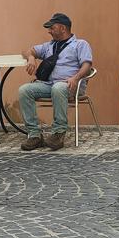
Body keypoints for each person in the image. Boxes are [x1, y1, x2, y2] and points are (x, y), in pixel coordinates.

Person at [17, 13, 92, 151]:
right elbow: (27, 50)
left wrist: (75, 78)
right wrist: (31, 58)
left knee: (58, 88)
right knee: (24, 90)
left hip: (71, 85)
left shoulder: (80, 44)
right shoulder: (49, 46)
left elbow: (87, 65)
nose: (49, 31)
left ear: (63, 28)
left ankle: (58, 133)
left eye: (52, 28)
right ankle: (34, 135)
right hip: (49, 85)